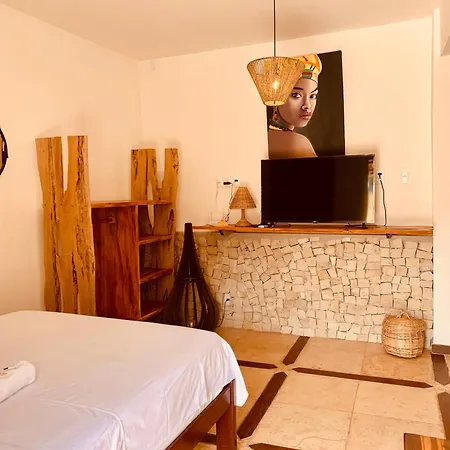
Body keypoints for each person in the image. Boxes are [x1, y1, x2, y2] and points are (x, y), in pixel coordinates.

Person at [267, 54, 322, 159]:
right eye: (296, 95)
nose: (307, 105)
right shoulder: (298, 143)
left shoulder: (265, 137)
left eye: (312, 96)